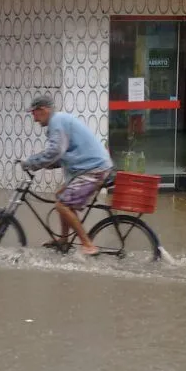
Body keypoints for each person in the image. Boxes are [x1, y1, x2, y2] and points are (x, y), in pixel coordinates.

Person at [22, 96, 114, 256]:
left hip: (94, 169)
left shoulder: (57, 122)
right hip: (88, 168)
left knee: (62, 205)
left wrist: (31, 163)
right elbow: (62, 154)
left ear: (43, 110)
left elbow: (55, 151)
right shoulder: (59, 121)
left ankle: (88, 245)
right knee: (60, 197)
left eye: (34, 113)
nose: (34, 118)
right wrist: (48, 164)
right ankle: (64, 241)